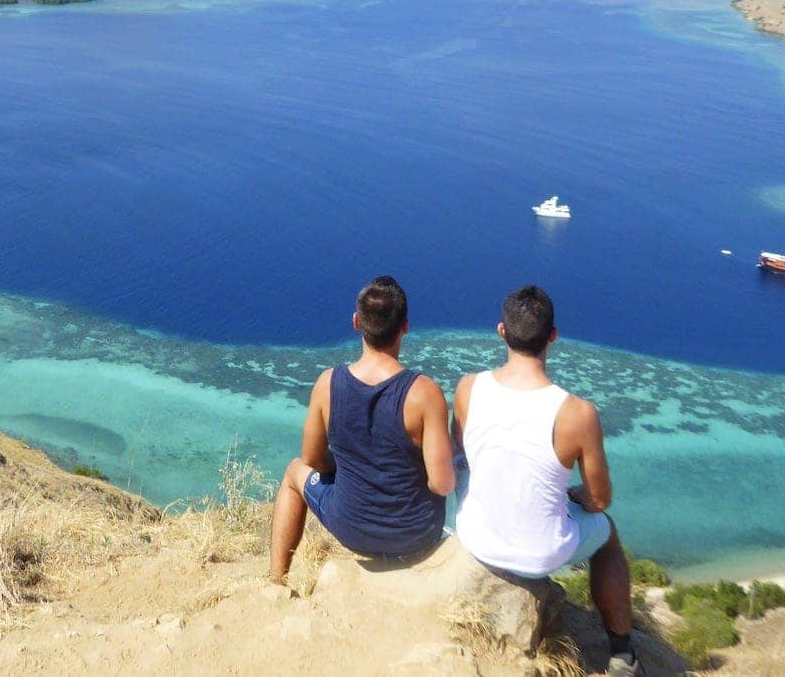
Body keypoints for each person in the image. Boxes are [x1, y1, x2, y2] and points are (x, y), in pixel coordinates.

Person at [453, 285, 640, 675]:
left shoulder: (468, 387)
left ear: (501, 330)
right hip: (540, 555)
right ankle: (623, 654)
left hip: (476, 537)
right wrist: (584, 499)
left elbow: (463, 456)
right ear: (553, 336)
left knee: (465, 471)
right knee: (607, 535)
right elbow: (601, 499)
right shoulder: (577, 413)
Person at [268, 275, 455, 581]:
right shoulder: (425, 393)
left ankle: (276, 579)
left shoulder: (328, 384)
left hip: (351, 529)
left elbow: (312, 459)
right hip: (417, 534)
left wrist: (343, 469)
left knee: (293, 472)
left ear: (356, 322)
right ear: (405, 326)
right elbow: (442, 484)